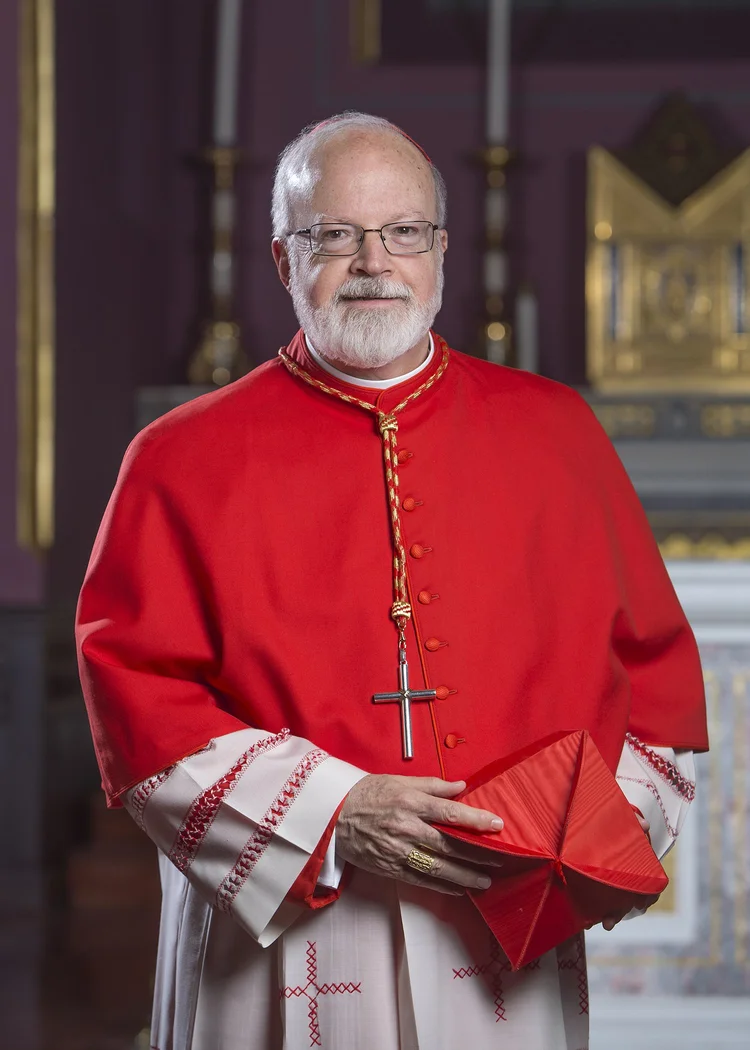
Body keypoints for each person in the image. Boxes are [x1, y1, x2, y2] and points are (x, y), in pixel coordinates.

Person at [76, 112, 708, 1050]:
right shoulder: (179, 457)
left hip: (503, 912)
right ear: (284, 259)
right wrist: (336, 811)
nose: (374, 262)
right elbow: (139, 705)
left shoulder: (556, 433)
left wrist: (579, 836)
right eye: (335, 234)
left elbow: (656, 683)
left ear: (441, 251)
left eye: (403, 232)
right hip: (288, 927)